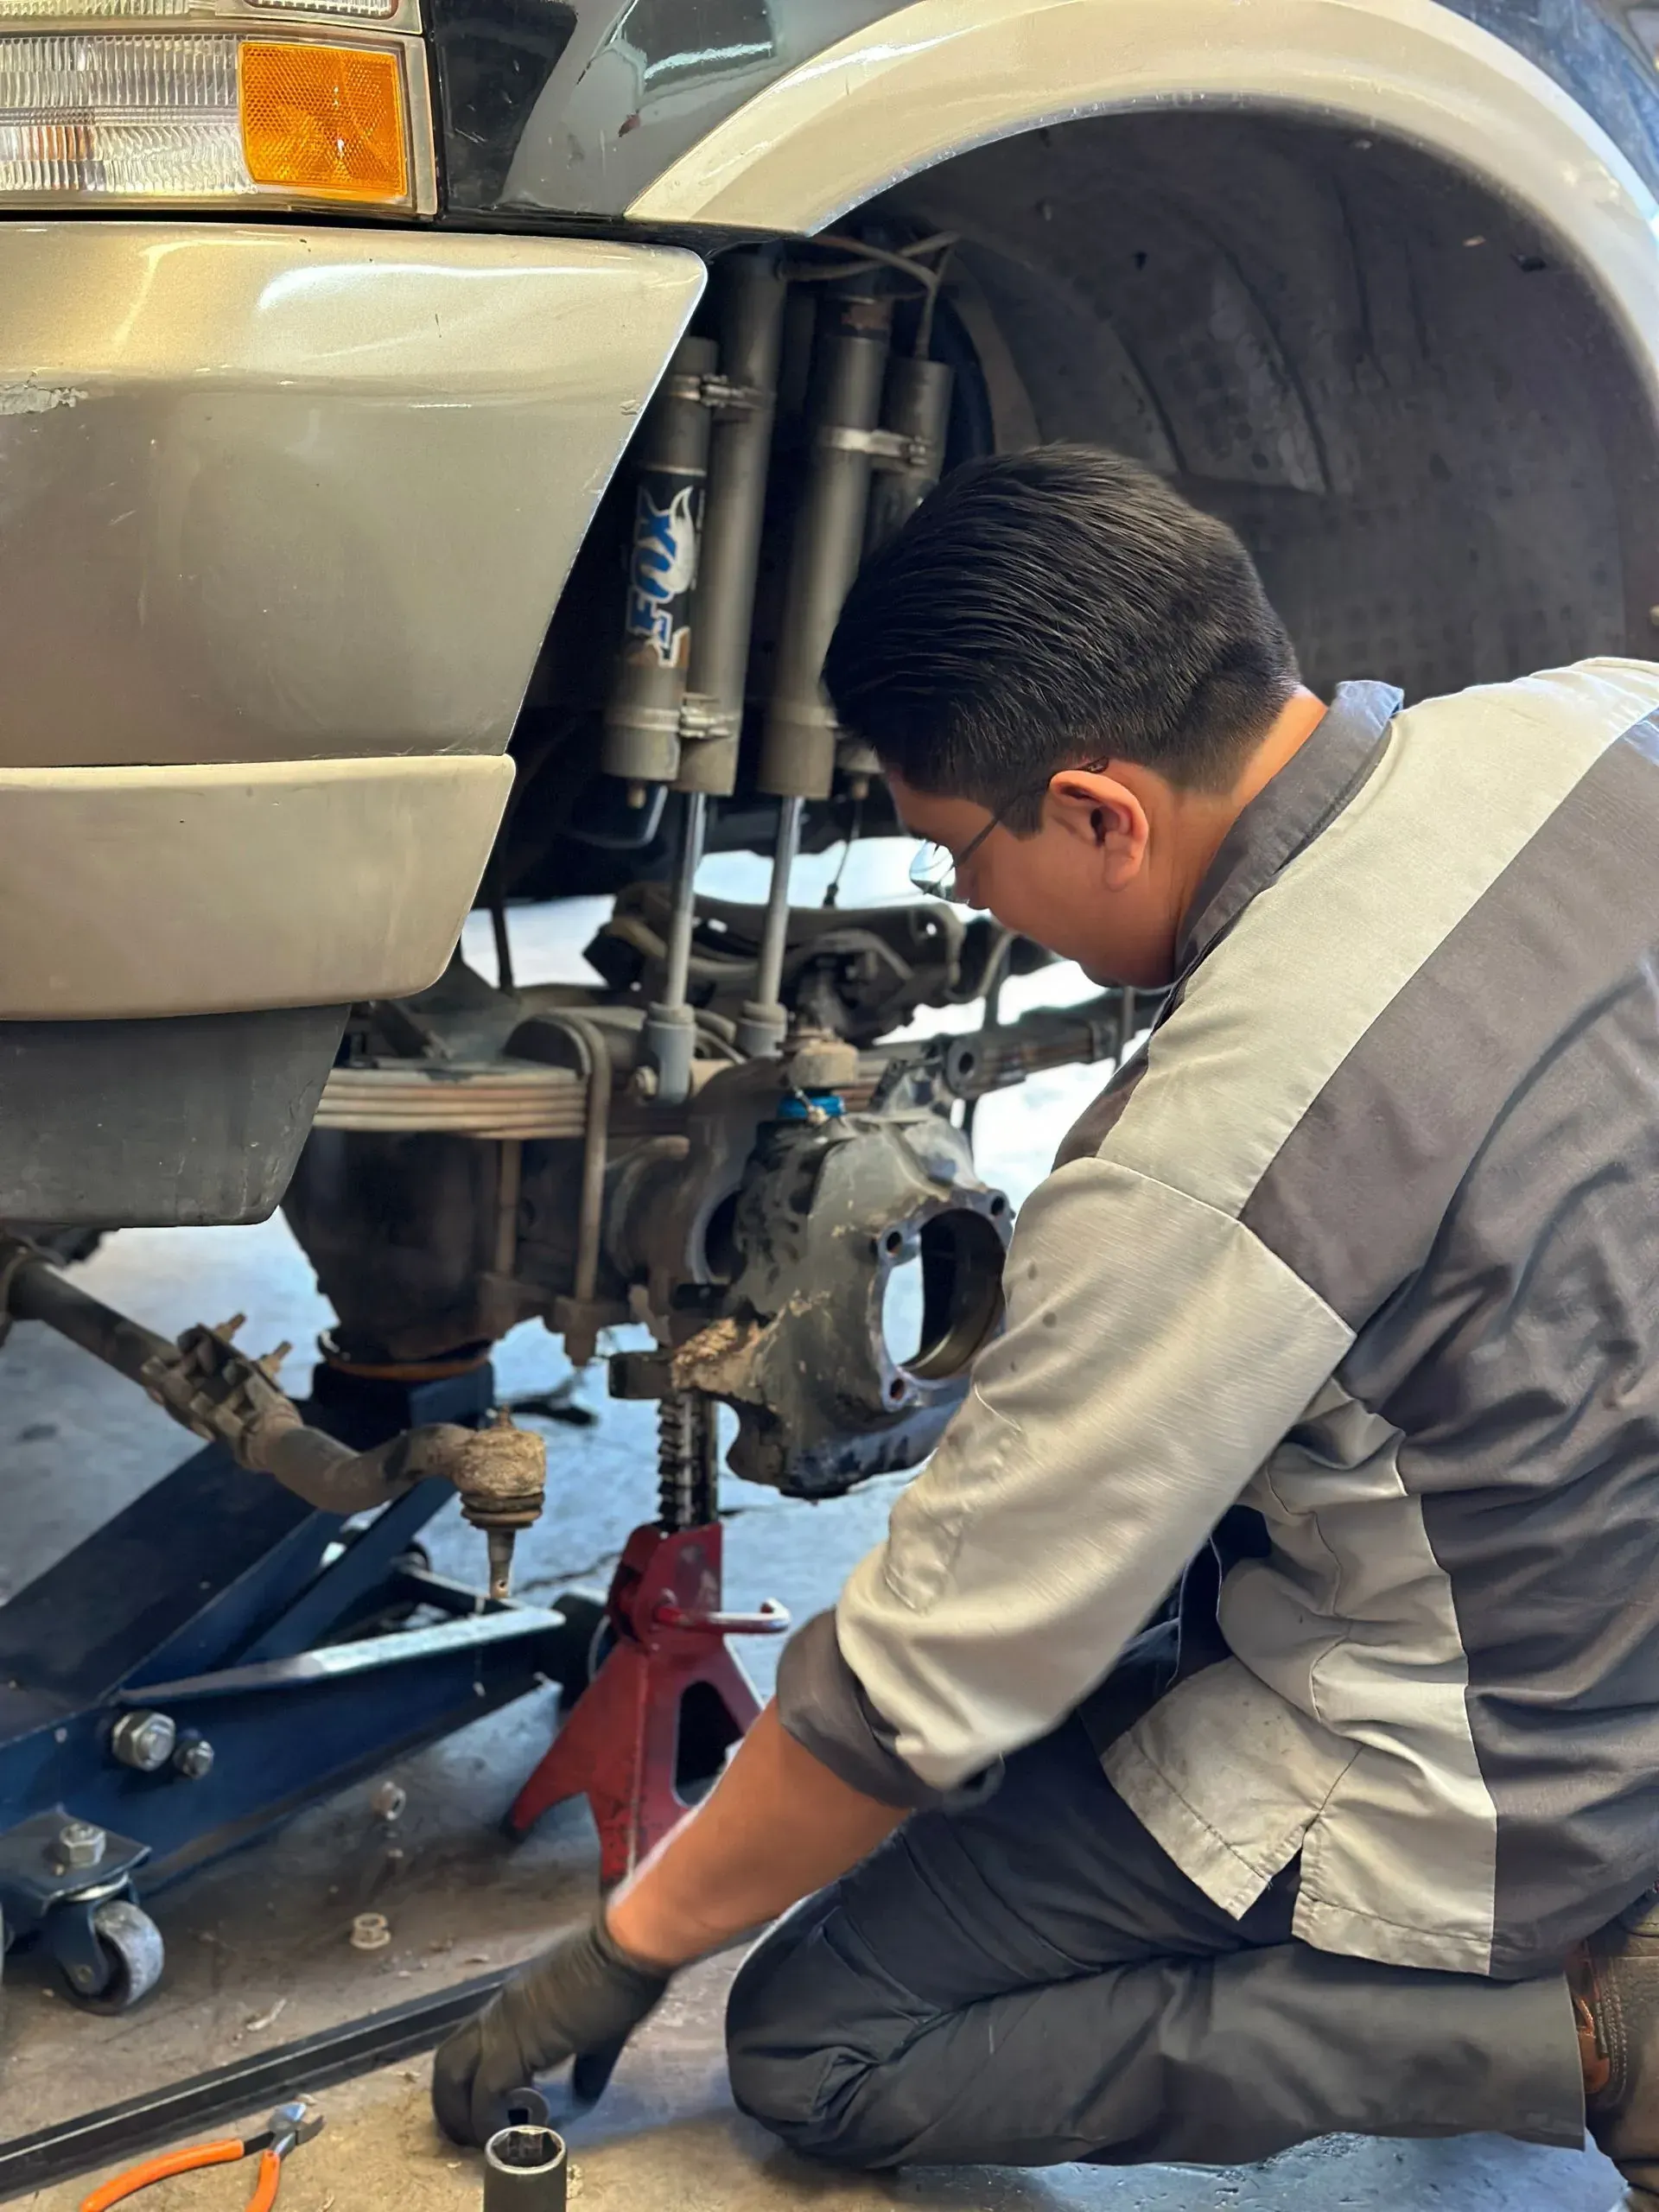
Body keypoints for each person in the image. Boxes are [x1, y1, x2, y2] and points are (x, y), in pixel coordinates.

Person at [432, 444, 1659, 2206]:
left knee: (820, 2041)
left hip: (1501, 1766)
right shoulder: (1602, 720)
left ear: (1098, 808)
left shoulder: (1212, 1156)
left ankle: (1592, 2032)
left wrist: (623, 1944)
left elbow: (927, 1683)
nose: (974, 909)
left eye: (960, 852)